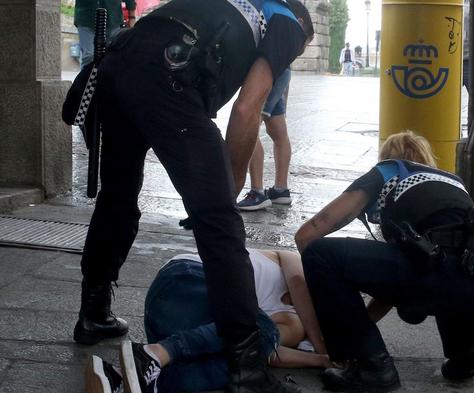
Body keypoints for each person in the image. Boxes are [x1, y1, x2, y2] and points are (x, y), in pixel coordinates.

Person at [71, 1, 315, 392]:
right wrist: (229, 187)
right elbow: (249, 106)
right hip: (168, 78)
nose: (291, 59)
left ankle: (93, 312)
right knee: (219, 224)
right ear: (302, 30)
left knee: (117, 197)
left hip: (117, 68)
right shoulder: (287, 21)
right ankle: (247, 367)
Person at [294, 131, 474, 392]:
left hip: (445, 274)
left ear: (386, 157)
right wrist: (354, 328)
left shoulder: (388, 171)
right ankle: (468, 349)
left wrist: (327, 328)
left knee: (321, 253)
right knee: (447, 260)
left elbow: (310, 232)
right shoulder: (452, 181)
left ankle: (372, 369)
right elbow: (394, 284)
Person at [84, 249, 330, 393]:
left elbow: (262, 352)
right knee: (258, 328)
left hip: (177, 324)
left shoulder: (295, 323)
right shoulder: (291, 260)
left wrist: (322, 361)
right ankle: (156, 353)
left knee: (243, 363)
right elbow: (298, 282)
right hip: (187, 277)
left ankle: (120, 376)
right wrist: (320, 345)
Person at [238, 67, 294, 210]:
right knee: (279, 132)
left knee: (250, 127)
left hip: (264, 72)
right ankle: (281, 190)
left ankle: (257, 193)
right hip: (281, 71)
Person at [74, 0, 137, 69]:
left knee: (112, 56)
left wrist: (132, 17)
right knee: (89, 55)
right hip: (86, 18)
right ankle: (87, 78)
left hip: (113, 20)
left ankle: (107, 78)